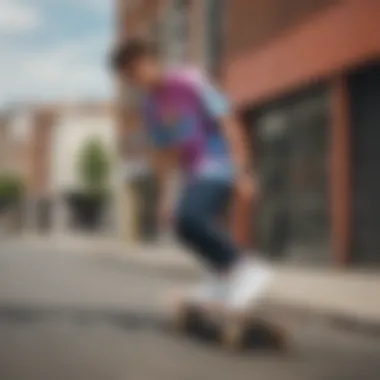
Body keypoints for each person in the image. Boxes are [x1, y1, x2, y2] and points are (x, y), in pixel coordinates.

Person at [111, 39, 272, 312]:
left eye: (136, 74)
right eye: (130, 79)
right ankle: (225, 276)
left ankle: (246, 269)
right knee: (182, 226)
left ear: (150, 61)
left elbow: (227, 119)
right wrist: (165, 199)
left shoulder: (189, 80)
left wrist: (243, 170)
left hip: (219, 163)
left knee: (191, 217)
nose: (136, 82)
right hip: (194, 173)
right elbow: (167, 155)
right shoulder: (151, 107)